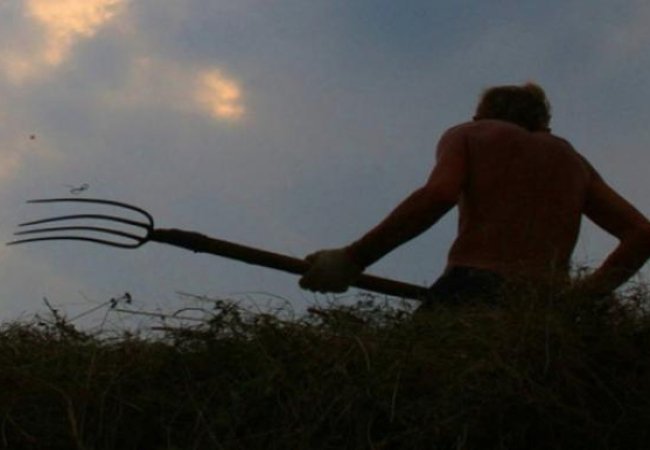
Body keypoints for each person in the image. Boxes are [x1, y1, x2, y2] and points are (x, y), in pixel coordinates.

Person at [299, 83, 650, 307]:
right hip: (545, 307)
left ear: (481, 114)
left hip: (476, 288)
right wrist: (584, 298)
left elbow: (438, 195)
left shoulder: (472, 134)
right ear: (544, 122)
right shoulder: (573, 161)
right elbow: (642, 233)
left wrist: (353, 258)